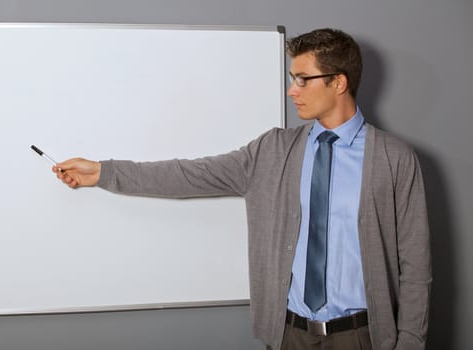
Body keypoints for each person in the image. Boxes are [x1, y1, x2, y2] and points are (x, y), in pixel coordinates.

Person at [53, 28, 431, 350]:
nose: (292, 90)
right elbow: (189, 175)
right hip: (289, 335)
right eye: (291, 78)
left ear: (338, 82)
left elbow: (415, 266)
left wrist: (410, 343)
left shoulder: (394, 158)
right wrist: (103, 172)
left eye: (303, 79)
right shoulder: (273, 150)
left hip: (362, 337)